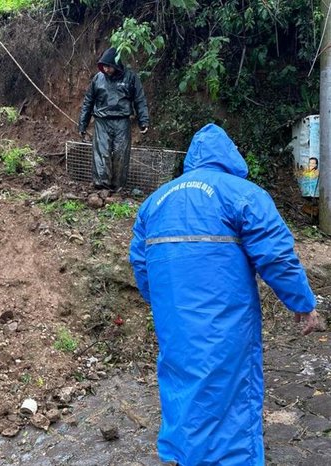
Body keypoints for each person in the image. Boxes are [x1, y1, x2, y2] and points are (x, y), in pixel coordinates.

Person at [129, 123, 324, 465]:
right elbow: (276, 256)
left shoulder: (154, 202)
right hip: (226, 325)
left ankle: (186, 455)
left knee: (182, 386)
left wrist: (163, 304)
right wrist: (303, 303)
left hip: (174, 323)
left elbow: (141, 265)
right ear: (229, 155)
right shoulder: (242, 194)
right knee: (230, 396)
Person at [78, 47, 149, 192]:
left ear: (116, 65)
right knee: (101, 152)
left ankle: (117, 187)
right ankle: (101, 186)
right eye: (104, 66)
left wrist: (144, 121)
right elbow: (88, 101)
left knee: (120, 153)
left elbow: (139, 100)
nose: (106, 69)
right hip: (102, 121)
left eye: (109, 66)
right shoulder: (98, 78)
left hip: (122, 121)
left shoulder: (130, 77)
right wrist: (83, 124)